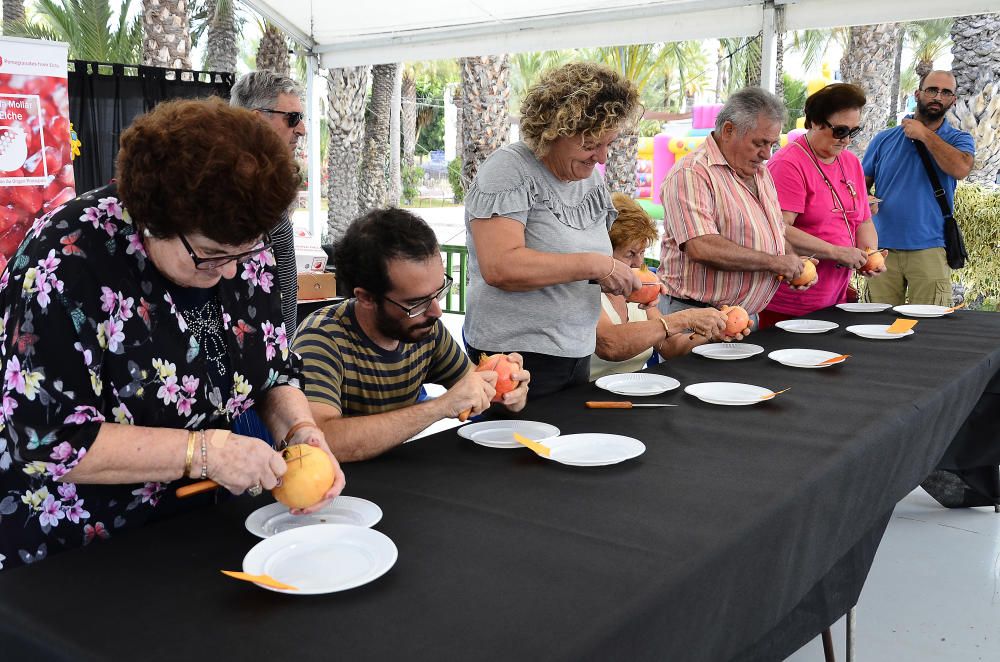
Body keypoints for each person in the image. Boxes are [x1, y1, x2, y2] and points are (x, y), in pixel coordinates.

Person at [0, 98, 344, 571]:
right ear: (151, 217)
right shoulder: (66, 260)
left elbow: (275, 368)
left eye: (244, 255)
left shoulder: (242, 246)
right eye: (209, 255)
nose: (230, 273)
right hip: (81, 550)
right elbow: (48, 439)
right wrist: (201, 452)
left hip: (201, 527)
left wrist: (301, 430)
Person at [463, 62, 643, 397]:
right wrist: (597, 266)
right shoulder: (509, 170)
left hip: (575, 351)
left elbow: (576, 268)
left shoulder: (589, 180)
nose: (602, 158)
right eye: (591, 143)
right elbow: (501, 267)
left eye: (609, 143)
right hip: (515, 356)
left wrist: (619, 278)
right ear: (555, 129)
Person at [292, 208, 530, 462]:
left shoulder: (425, 328)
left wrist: (507, 393)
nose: (436, 311)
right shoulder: (321, 339)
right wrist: (440, 407)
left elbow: (474, 393)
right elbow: (321, 440)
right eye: (416, 302)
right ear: (366, 298)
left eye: (439, 292)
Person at [657, 87, 814, 327]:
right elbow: (702, 246)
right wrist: (774, 262)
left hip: (744, 317)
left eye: (772, 144)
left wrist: (791, 262)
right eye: (759, 143)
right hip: (696, 316)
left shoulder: (760, 173)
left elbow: (774, 230)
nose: (767, 154)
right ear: (729, 130)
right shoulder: (692, 173)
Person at [759, 83, 885, 328]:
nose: (847, 140)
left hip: (834, 300)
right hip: (791, 305)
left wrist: (868, 255)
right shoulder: (789, 164)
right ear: (815, 122)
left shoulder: (850, 162)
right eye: (840, 131)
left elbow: (863, 220)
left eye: (854, 132)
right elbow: (778, 227)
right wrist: (837, 252)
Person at [862, 70, 975, 306]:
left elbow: (961, 169)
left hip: (930, 248)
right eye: (932, 89)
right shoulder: (884, 139)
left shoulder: (958, 140)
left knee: (928, 330)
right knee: (876, 325)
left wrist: (924, 134)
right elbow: (861, 186)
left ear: (953, 100)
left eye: (946, 92)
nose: (938, 96)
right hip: (882, 249)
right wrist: (865, 199)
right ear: (918, 94)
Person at [591, 194, 729, 380]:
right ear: (603, 251)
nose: (638, 263)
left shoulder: (638, 291)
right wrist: (683, 319)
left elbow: (671, 347)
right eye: (630, 253)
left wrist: (712, 332)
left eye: (642, 252)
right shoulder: (586, 289)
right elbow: (610, 345)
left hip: (634, 394)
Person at [230, 71, 306, 338]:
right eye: (292, 118)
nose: (301, 129)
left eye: (301, 118)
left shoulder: (269, 180)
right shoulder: (226, 185)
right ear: (255, 120)